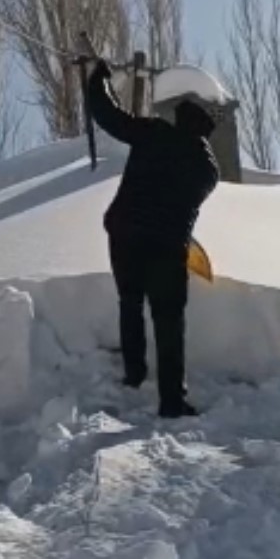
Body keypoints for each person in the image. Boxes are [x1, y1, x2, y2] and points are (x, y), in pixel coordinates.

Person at [86, 58, 220, 418]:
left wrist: (98, 79)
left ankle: (134, 373)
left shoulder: (153, 133)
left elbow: (108, 116)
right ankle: (171, 400)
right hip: (168, 246)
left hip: (125, 235)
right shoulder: (208, 169)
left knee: (129, 302)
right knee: (169, 320)